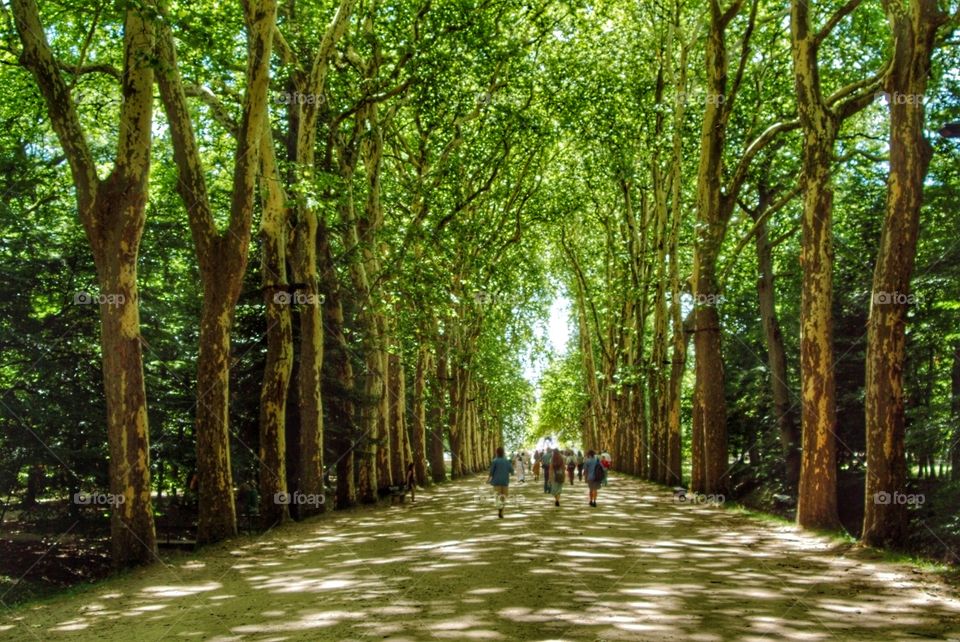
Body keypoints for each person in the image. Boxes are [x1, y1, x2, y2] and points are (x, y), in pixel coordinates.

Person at [488, 447, 513, 518]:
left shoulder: (494, 461)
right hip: (505, 482)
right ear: (503, 452)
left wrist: (488, 480)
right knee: (504, 497)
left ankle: (500, 510)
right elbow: (511, 470)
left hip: (496, 482)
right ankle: (501, 510)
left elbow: (491, 472)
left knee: (498, 497)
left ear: (497, 453)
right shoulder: (507, 461)